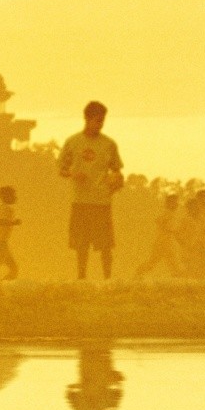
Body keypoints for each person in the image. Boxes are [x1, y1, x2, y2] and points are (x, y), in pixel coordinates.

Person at [58, 101, 124, 280]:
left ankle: (107, 279)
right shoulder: (73, 142)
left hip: (102, 201)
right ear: (87, 119)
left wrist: (116, 182)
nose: (100, 125)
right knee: (81, 244)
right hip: (80, 200)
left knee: (106, 245)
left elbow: (117, 170)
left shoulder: (109, 144)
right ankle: (81, 278)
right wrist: (73, 174)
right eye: (97, 121)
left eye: (102, 121)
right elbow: (61, 169)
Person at [65, 343, 125, 410]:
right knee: (98, 343)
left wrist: (77, 386)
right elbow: (69, 392)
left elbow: (69, 393)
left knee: (91, 343)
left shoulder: (82, 408)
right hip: (98, 364)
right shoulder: (107, 407)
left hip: (91, 364)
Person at [134, 194, 183, 278]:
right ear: (169, 203)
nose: (177, 204)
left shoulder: (172, 214)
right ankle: (137, 274)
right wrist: (169, 229)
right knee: (158, 263)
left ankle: (138, 274)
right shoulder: (167, 213)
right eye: (174, 202)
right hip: (163, 242)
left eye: (176, 202)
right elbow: (158, 221)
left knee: (172, 264)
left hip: (166, 242)